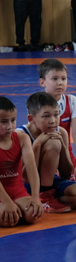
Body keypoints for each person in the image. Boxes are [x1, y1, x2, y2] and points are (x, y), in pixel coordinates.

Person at [20, 92, 76, 213]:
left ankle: (47, 200)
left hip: (52, 182)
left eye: (56, 115)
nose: (53, 121)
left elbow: (66, 173)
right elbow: (25, 177)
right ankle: (44, 197)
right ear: (31, 119)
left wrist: (62, 146)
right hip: (27, 185)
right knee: (53, 144)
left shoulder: (61, 132)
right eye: (46, 116)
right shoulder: (21, 136)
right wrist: (37, 145)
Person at [37, 59, 76, 180]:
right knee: (50, 185)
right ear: (42, 82)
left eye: (63, 79)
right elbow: (35, 135)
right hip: (45, 154)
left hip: (66, 154)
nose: (60, 83)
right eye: (55, 79)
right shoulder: (37, 103)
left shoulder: (72, 101)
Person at [0, 96, 43, 226]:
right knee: (7, 219)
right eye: (3, 122)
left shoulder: (22, 138)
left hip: (17, 189)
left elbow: (31, 168)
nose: (10, 126)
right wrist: (6, 201)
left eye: (13, 120)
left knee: (32, 213)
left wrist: (35, 197)